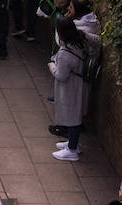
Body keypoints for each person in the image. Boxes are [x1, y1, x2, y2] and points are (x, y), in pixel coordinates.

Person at [49, 16, 91, 161]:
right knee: (75, 114)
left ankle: (72, 150)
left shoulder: (65, 53)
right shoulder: (81, 39)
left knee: (72, 116)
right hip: (80, 82)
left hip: (71, 87)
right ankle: (73, 143)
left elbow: (61, 75)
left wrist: (52, 66)